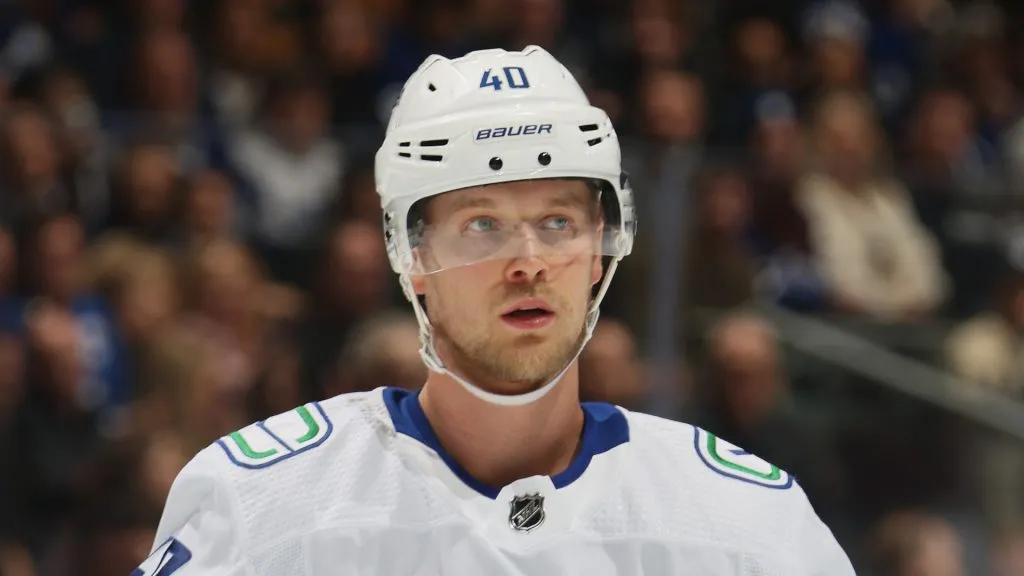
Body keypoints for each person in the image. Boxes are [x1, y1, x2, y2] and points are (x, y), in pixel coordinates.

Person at [136, 46, 855, 575]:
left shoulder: (744, 523)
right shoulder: (265, 506)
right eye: (483, 224)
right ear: (412, 254)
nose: (529, 262)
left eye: (558, 222)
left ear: (601, 250)